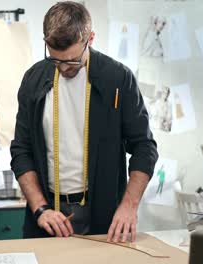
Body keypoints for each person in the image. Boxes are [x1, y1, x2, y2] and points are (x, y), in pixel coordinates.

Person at [10, 2, 158, 243]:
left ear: (90, 38)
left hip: (105, 215)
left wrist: (129, 206)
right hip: (49, 214)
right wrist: (40, 208)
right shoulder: (33, 80)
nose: (64, 68)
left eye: (72, 60)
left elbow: (144, 148)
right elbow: (21, 151)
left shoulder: (118, 78)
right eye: (56, 60)